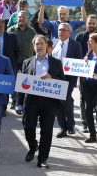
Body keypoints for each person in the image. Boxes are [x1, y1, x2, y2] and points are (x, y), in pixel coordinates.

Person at [15, 35, 65, 169]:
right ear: (33, 46)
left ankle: (42, 159)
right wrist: (19, 103)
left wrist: (51, 77)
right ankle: (33, 146)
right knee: (28, 126)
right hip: (32, 100)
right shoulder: (27, 62)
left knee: (47, 131)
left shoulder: (56, 63)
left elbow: (63, 82)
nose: (39, 46)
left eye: (41, 43)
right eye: (37, 44)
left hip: (50, 102)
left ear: (47, 45)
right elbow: (21, 84)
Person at [76, 14, 97, 133]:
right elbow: (76, 54)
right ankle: (85, 123)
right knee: (83, 99)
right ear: (86, 23)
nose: (91, 25)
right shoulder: (80, 36)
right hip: (83, 71)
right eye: (89, 23)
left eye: (93, 23)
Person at [52, 23, 82, 138]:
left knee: (66, 100)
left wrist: (76, 79)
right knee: (58, 103)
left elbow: (78, 61)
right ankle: (62, 128)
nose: (60, 32)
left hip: (69, 78)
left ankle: (70, 126)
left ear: (69, 32)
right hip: (55, 78)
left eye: (63, 30)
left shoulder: (76, 45)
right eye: (59, 30)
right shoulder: (54, 43)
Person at [7, 11, 36, 111]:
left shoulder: (32, 31)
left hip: (28, 60)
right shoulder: (11, 30)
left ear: (27, 19)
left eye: (23, 17)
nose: (21, 19)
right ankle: (14, 100)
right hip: (15, 60)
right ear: (16, 18)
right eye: (19, 17)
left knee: (26, 81)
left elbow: (35, 45)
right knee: (14, 80)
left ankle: (25, 101)